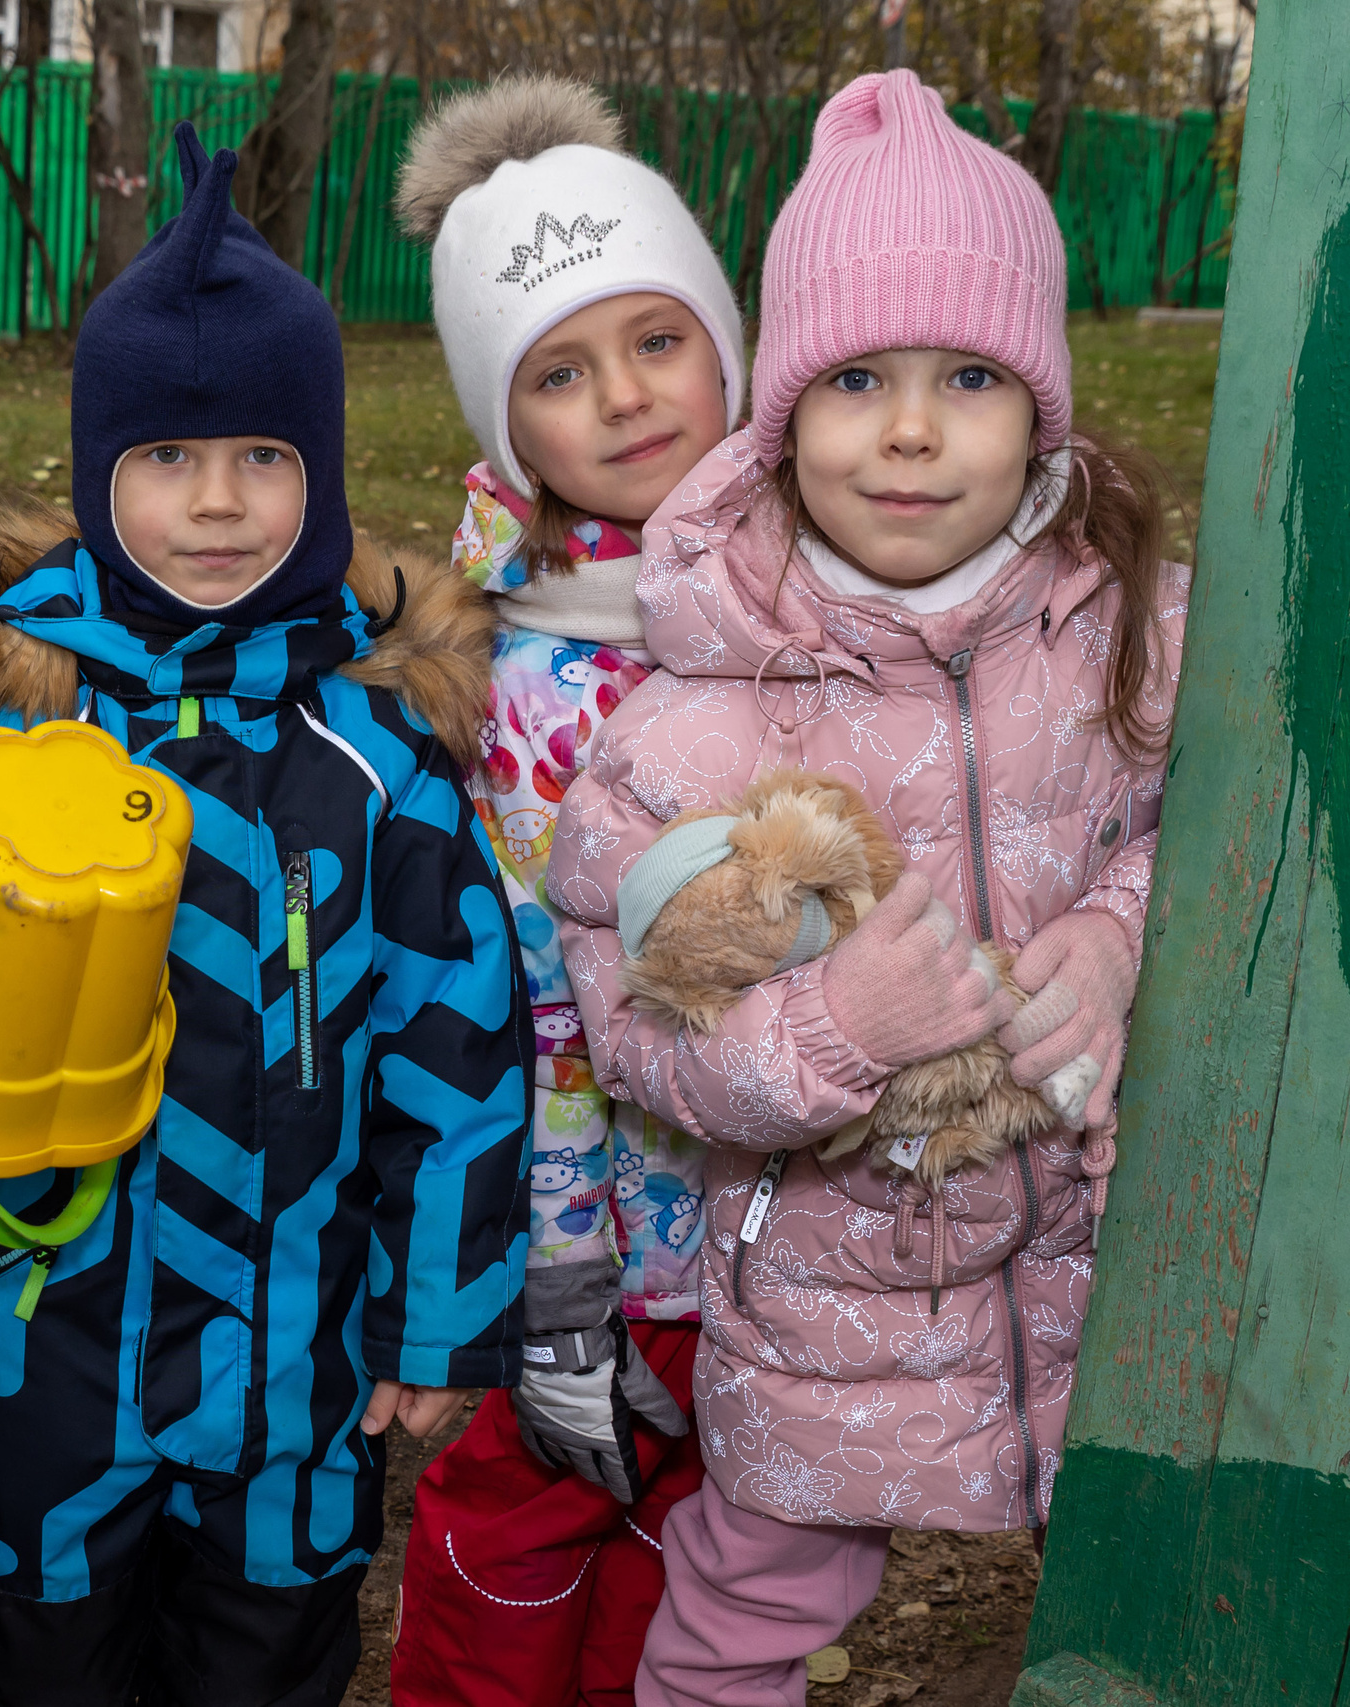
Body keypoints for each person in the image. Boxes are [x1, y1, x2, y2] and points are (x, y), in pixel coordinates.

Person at [0, 123, 533, 1707]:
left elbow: (460, 1054)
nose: (216, 505)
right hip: (44, 1346)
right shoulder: (5, 724)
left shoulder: (377, 765)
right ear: (102, 473)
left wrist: (437, 1321)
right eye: (167, 461)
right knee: (29, 1659)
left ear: (321, 479)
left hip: (289, 1371)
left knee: (261, 1668)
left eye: (262, 462)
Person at [539, 71, 1185, 1704]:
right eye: (856, 379)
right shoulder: (689, 720)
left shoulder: (1139, 632)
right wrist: (838, 1025)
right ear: (784, 415)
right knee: (750, 1612)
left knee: (1164, 1593)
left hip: (1122, 1263)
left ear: (1040, 405)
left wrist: (1116, 943)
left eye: (969, 374)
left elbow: (1231, 836)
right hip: (840, 1283)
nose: (910, 428)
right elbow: (644, 1046)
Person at [384, 74, 746, 1707]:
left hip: (767, 1224)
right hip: (583, 1235)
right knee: (520, 1538)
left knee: (696, 1558)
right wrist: (556, 1270)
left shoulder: (810, 608)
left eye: (656, 340)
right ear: (501, 420)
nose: (623, 399)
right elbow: (530, 1000)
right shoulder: (517, 675)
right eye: (559, 372)